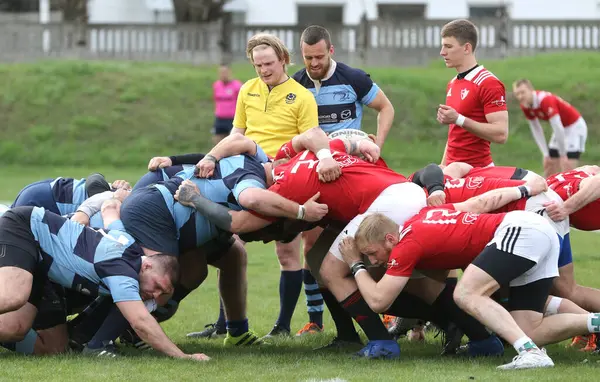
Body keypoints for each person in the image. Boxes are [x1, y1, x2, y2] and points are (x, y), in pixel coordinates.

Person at [346, 206, 600, 370]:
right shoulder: (419, 220)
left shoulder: (406, 245)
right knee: (529, 328)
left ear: (390, 239)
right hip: (532, 231)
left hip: (519, 231)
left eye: (371, 253)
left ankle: (530, 353)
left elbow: (379, 302)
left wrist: (356, 265)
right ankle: (594, 322)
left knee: (467, 293)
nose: (373, 261)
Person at [225, 32, 340, 339]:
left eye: (269, 63)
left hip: (283, 175)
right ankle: (226, 324)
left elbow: (310, 142)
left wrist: (280, 168)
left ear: (284, 60)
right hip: (245, 171)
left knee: (287, 252)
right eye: (257, 65)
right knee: (225, 244)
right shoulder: (247, 90)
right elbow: (237, 134)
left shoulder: (301, 96)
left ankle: (282, 326)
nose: (263, 70)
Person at [0, 202, 209, 361]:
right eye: (158, 286)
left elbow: (109, 208)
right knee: (14, 296)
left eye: (161, 294)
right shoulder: (123, 271)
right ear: (147, 266)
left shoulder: (127, 241)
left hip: (41, 265)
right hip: (25, 229)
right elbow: (141, 322)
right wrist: (183, 356)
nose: (154, 295)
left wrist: (118, 195)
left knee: (40, 341)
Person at [291, 24, 396, 339]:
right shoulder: (295, 83)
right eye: (308, 57)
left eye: (319, 56)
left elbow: (386, 108)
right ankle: (317, 319)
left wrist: (378, 145)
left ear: (331, 50)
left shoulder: (353, 77)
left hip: (351, 173)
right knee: (311, 246)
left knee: (367, 241)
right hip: (315, 176)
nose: (314, 63)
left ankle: (389, 309)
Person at [437, 19, 508, 168]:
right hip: (452, 170)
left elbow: (501, 134)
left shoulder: (488, 83)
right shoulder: (453, 83)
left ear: (466, 48)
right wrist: (443, 166)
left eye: (448, 46)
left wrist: (459, 119)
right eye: (443, 46)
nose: (442, 52)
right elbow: (454, 134)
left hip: (477, 172)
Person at [513, 79, 587, 177]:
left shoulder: (545, 100)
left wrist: (563, 154)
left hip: (574, 126)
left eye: (523, 92)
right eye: (517, 94)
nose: (520, 96)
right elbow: (536, 129)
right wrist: (545, 154)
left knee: (568, 166)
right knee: (549, 163)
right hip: (561, 128)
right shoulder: (525, 105)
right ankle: (550, 189)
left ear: (531, 90)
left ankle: (572, 188)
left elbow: (557, 127)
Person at [212, 65, 242, 144]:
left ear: (230, 73)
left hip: (232, 119)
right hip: (220, 118)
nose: (223, 74)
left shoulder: (237, 85)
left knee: (232, 142)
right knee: (217, 141)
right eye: (221, 72)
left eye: (225, 72)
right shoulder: (216, 85)